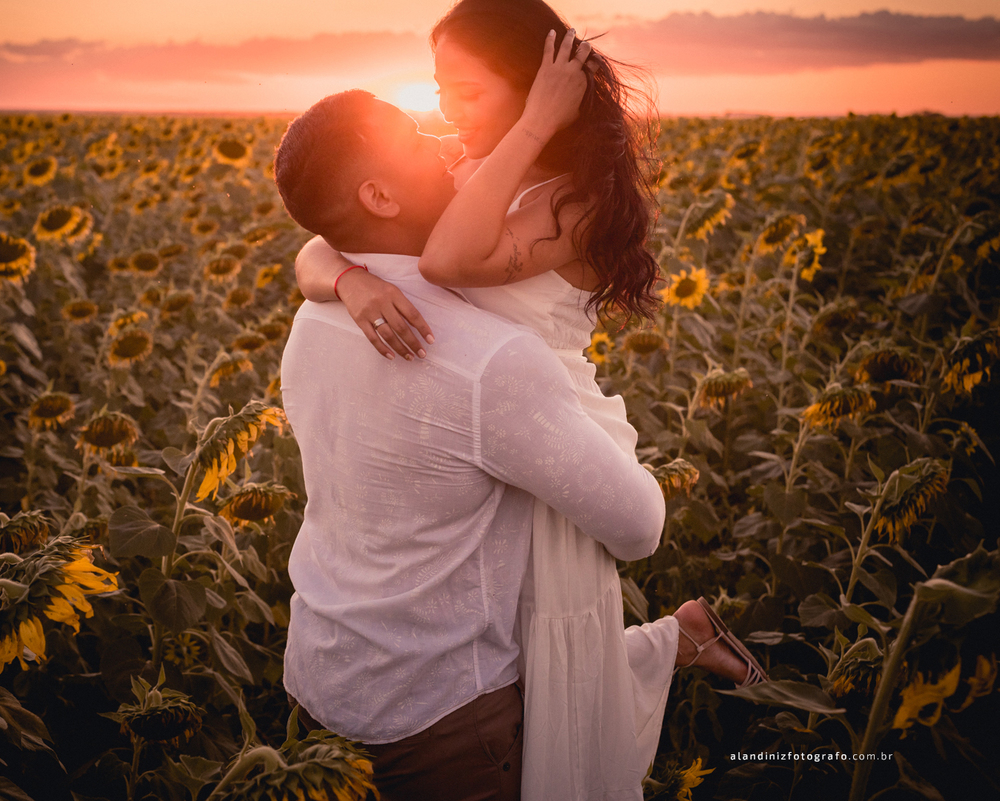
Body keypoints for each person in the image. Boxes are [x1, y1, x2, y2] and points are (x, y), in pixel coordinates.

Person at [291, 1, 767, 799]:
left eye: (465, 93)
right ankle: (679, 638)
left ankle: (676, 645)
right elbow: (322, 234)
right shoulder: (470, 158)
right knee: (516, 648)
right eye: (437, 91)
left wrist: (538, 125)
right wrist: (350, 278)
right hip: (479, 423)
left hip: (543, 418)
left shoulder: (571, 199)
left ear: (534, 92)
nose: (444, 115)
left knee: (552, 645)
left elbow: (444, 258)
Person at [273, 88, 667, 801]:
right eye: (415, 140)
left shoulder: (315, 316)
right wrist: (588, 402)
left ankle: (683, 641)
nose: (445, 143)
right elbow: (639, 527)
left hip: (315, 674)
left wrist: (345, 276)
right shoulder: (491, 362)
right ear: (380, 195)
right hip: (439, 718)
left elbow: (321, 251)